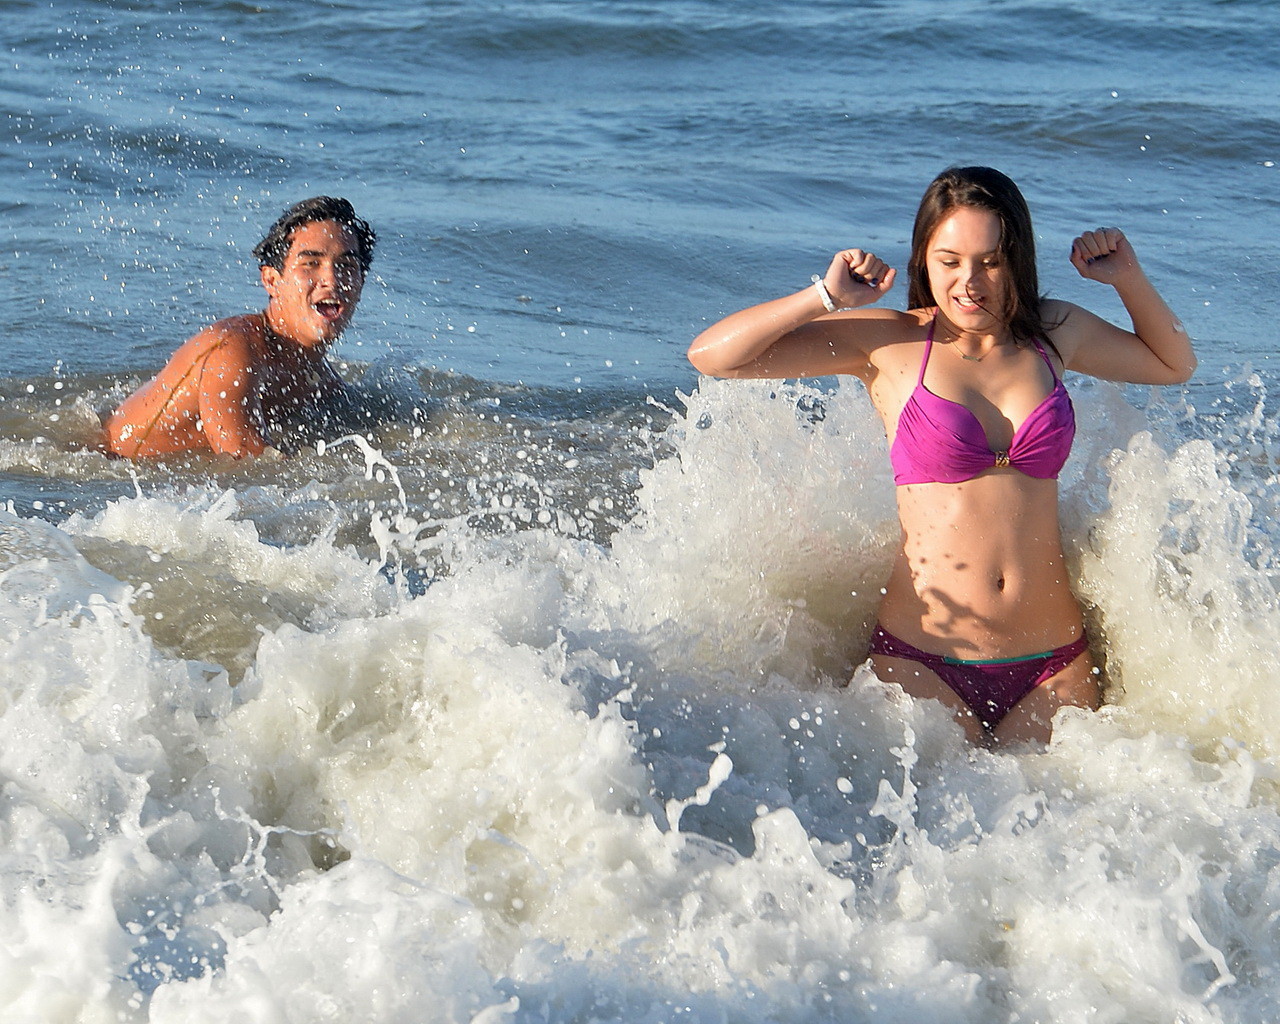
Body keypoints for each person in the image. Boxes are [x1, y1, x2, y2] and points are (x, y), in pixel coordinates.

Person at [687, 166, 1195, 745]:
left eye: (990, 261)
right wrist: (824, 298)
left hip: (1055, 666)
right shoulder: (888, 341)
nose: (969, 282)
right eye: (949, 261)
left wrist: (1127, 276)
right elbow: (713, 356)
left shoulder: (1055, 332)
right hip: (922, 664)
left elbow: (1174, 364)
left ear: (1018, 260)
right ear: (923, 260)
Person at [104, 196, 376, 459]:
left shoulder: (322, 382)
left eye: (346, 265)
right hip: (117, 476)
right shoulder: (233, 351)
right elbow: (248, 467)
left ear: (361, 285)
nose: (332, 279)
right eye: (311, 264)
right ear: (271, 280)